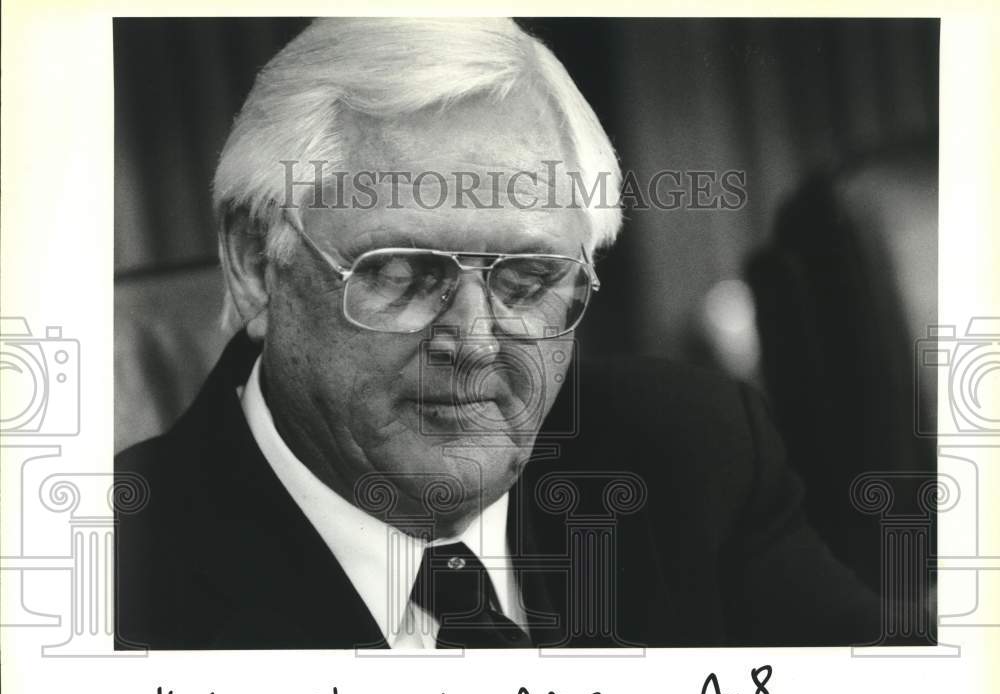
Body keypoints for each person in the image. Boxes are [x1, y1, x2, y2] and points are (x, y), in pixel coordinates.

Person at [115, 17, 880, 650]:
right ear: (255, 263)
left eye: (527, 280)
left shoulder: (694, 454)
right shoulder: (105, 581)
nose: (476, 342)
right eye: (405, 271)